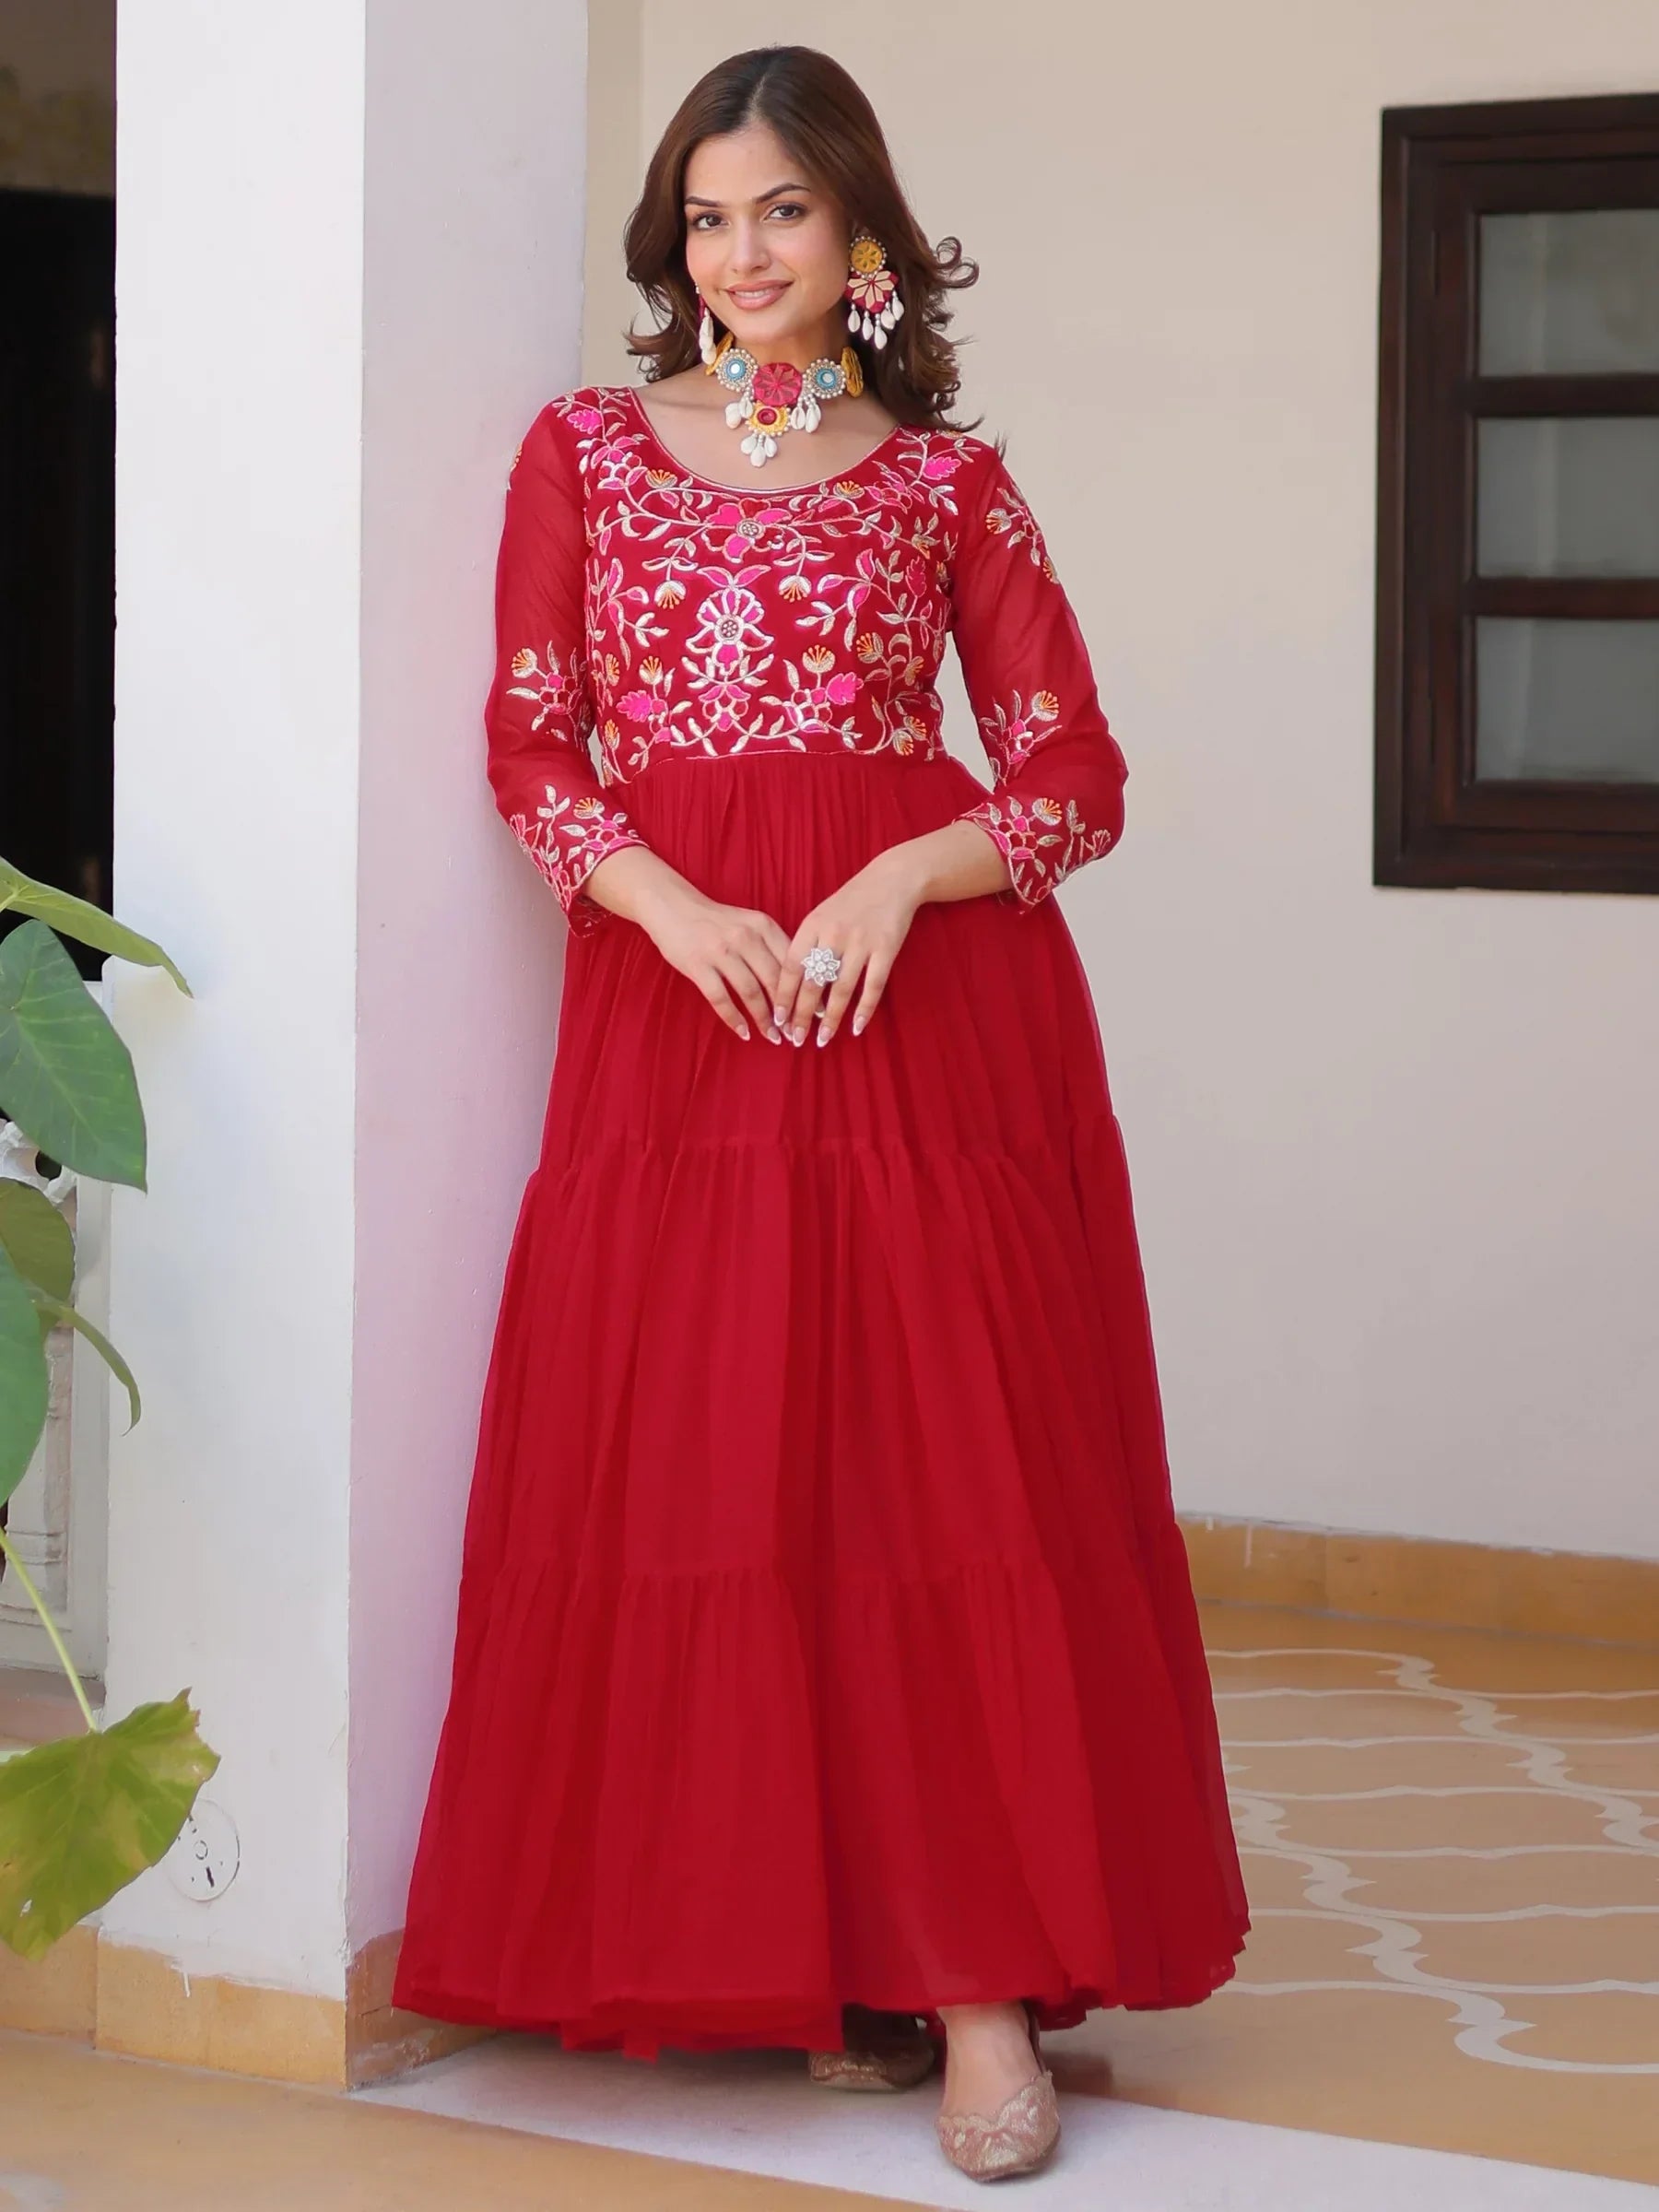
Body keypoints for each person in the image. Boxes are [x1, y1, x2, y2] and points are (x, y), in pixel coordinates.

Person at [393, 41, 1250, 2186]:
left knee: (934, 1480)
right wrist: (673, 907)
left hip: (917, 1021)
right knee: (720, 1476)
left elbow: (1074, 779)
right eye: (707, 215)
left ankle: (972, 1993)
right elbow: (532, 752)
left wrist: (895, 867)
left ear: (862, 236)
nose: (742, 255)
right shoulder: (583, 454)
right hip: (686, 1017)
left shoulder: (949, 483)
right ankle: (810, 1958)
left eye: (781, 211)